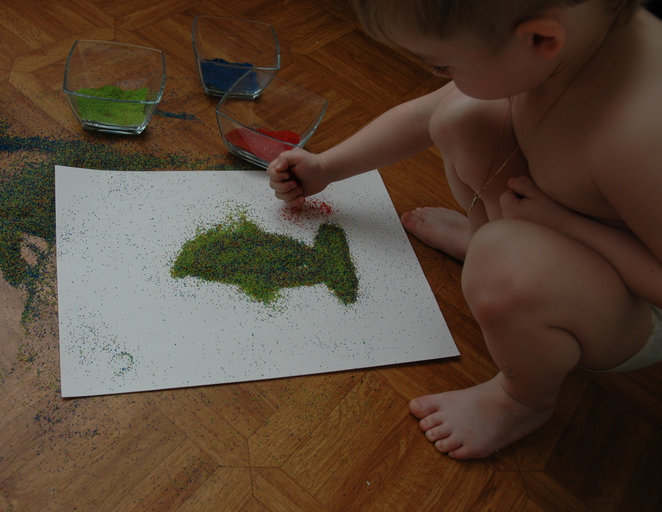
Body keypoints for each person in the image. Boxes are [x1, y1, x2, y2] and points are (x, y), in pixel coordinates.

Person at [265, 0, 662, 459]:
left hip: (634, 311)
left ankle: (522, 401)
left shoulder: (639, 135)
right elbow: (422, 117)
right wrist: (326, 168)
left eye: (443, 65)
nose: (436, 74)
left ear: (540, 38)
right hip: (549, 218)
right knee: (460, 111)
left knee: (503, 263)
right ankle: (485, 244)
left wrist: (565, 225)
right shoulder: (568, 42)